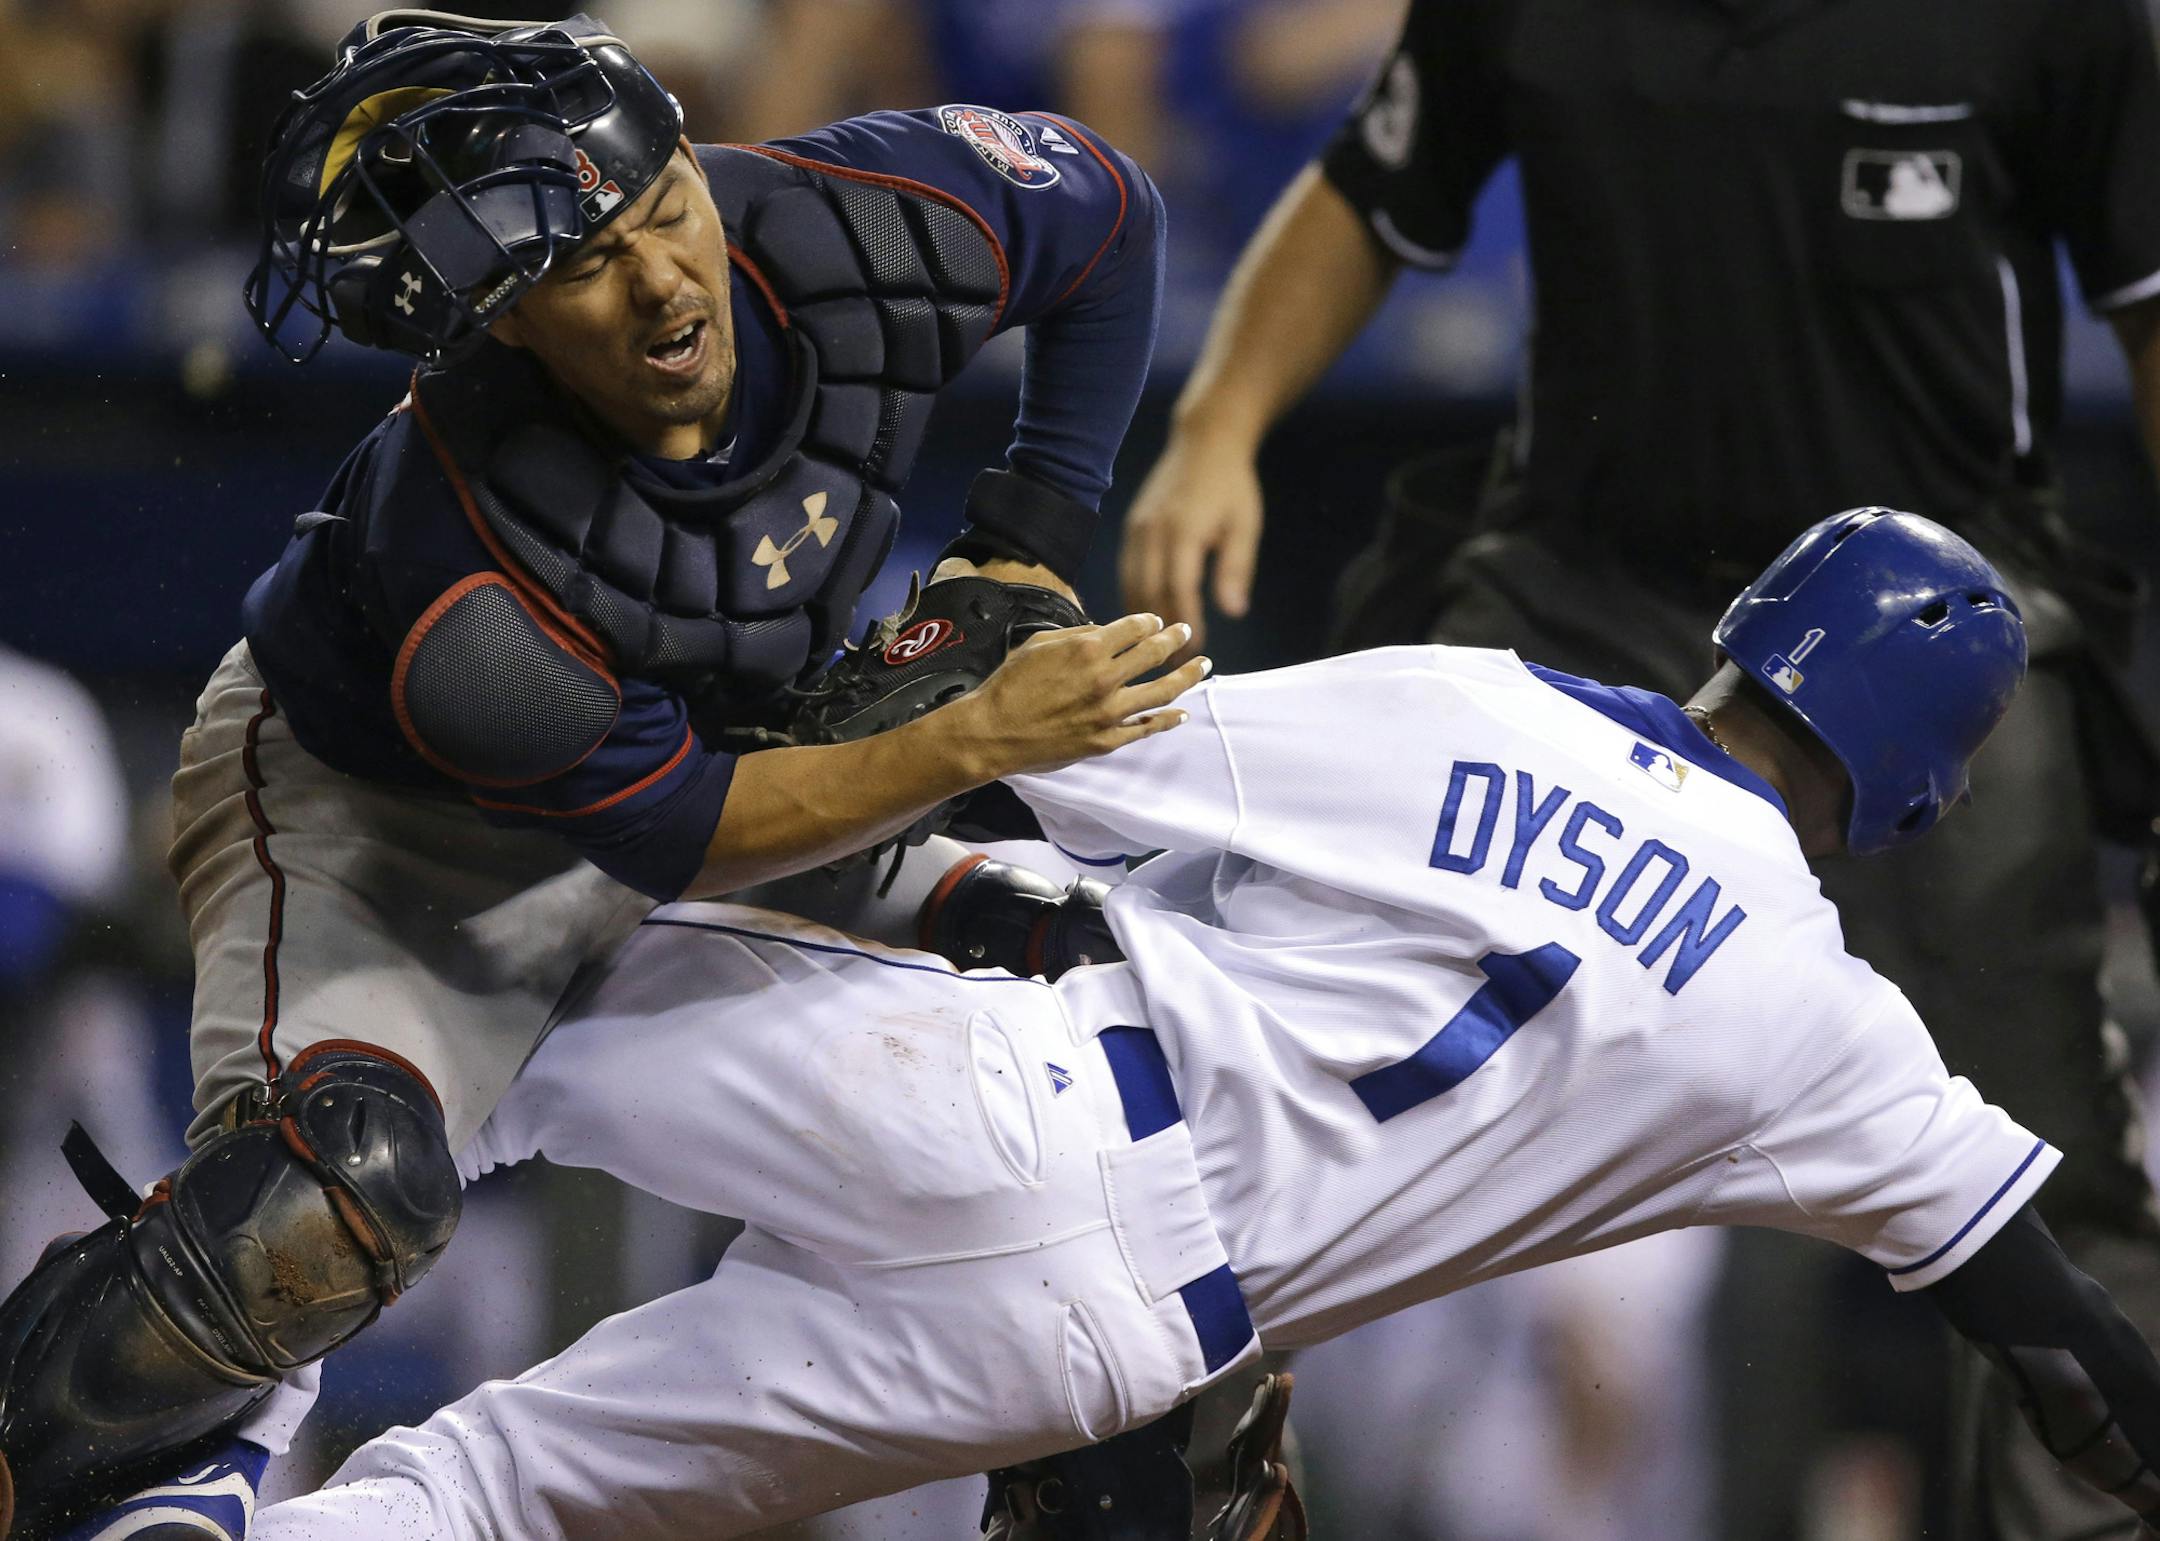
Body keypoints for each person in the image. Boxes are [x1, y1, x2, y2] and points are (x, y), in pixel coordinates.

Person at [232, 511, 2160, 1541]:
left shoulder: (1487, 703)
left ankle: (184, 1434)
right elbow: (2073, 1356)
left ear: (1745, 633)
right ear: (1918, 796)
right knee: (503, 1488)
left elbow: (1044, 747)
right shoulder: (1842, 1033)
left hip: (1015, 1101)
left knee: (438, 998)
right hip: (1102, 1352)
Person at [0, 10, 1187, 1538]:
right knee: (333, 1192)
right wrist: (971, 739)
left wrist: (1027, 532)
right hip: (379, 822)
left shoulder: (844, 217)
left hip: (732, 739)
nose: (659, 279)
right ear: (500, 317)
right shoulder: (461, 549)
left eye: (663, 208)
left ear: (696, 156)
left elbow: (1104, 213)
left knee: (1081, 974)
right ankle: (53, 1474)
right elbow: (686, 836)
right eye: (581, 263)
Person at [1117, 1, 2160, 1532]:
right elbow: (1374, 186)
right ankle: (1169, 1492)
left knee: (2040, 1167)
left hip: (1940, 640)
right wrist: (1218, 420)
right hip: (1591, 595)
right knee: (1256, 1022)